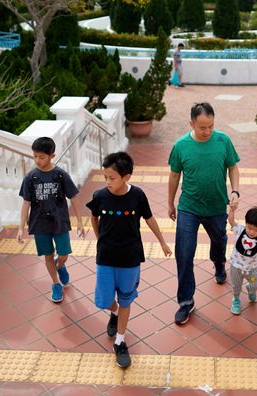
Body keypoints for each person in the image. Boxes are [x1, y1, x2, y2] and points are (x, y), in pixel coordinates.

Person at [86, 151, 171, 368]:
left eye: (112, 178)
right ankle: (113, 312)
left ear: (127, 177)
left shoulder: (138, 196)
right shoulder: (100, 196)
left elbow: (150, 219)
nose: (108, 182)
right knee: (104, 300)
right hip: (105, 256)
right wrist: (100, 240)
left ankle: (120, 341)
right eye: (105, 177)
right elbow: (94, 218)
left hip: (130, 257)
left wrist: (162, 242)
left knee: (126, 298)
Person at [168, 101, 240, 325]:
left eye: (211, 126)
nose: (207, 131)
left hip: (217, 206)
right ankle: (185, 301)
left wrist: (235, 191)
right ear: (192, 123)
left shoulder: (223, 141)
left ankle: (218, 263)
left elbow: (233, 167)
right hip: (189, 207)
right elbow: (174, 176)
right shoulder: (180, 146)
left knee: (219, 241)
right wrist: (170, 204)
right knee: (184, 252)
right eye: (202, 127)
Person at [17, 136, 86, 304]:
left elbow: (74, 197)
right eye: (35, 157)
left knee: (63, 254)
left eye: (42, 157)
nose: (38, 161)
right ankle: (55, 284)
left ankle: (60, 265)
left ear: (52, 156)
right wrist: (20, 227)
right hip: (39, 224)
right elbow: (26, 203)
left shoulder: (60, 175)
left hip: (60, 222)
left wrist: (79, 221)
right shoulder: (30, 178)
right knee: (48, 255)